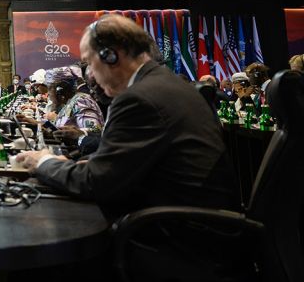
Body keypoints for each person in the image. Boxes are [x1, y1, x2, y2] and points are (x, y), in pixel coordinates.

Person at [13, 14, 236, 220]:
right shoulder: (164, 84)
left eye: (90, 63)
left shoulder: (139, 98)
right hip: (190, 219)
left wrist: (43, 162)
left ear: (110, 56)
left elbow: (96, 183)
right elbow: (128, 161)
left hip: (172, 235)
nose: (89, 74)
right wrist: (73, 165)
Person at [43, 67, 104, 132]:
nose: (48, 93)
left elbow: (95, 129)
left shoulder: (81, 100)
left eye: (49, 89)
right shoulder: (68, 103)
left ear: (59, 90)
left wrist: (76, 133)